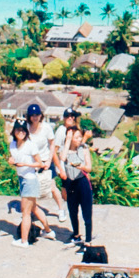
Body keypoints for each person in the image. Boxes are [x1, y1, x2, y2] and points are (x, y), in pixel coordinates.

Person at [56, 107, 96, 249]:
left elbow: (89, 167)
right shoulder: (66, 150)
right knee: (73, 211)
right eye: (76, 138)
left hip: (82, 182)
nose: (79, 140)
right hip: (71, 184)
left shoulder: (84, 148)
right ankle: (76, 234)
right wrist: (67, 140)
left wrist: (81, 167)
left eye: (80, 137)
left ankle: (88, 239)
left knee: (86, 212)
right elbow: (62, 157)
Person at [13, 103, 51, 245]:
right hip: (22, 178)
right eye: (18, 131)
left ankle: (24, 241)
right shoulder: (14, 144)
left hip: (30, 179)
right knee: (34, 208)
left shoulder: (30, 144)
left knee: (26, 212)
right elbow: (15, 157)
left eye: (23, 131)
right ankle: (48, 230)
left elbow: (39, 163)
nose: (21, 133)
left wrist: (25, 165)